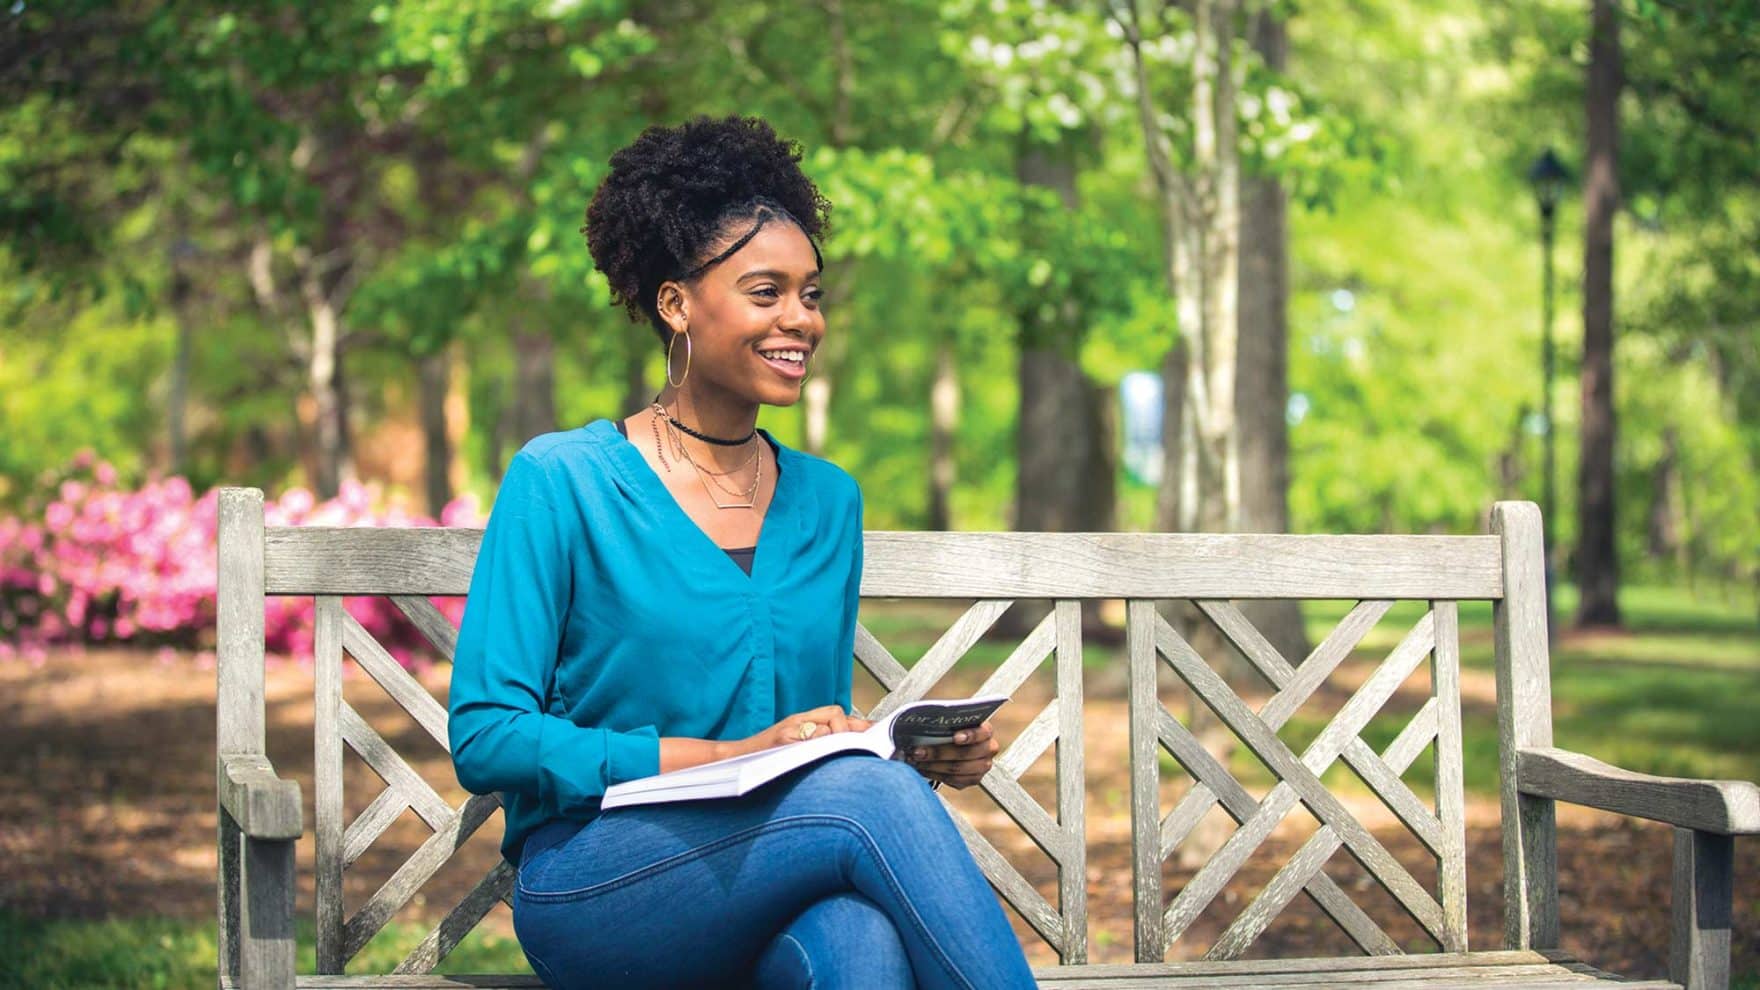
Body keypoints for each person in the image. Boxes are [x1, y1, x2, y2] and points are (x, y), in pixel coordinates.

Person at [447, 114, 1038, 990]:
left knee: (861, 949)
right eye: (767, 292)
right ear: (676, 303)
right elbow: (487, 735)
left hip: (769, 877)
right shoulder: (562, 480)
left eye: (812, 294)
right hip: (603, 881)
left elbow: (809, 740)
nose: (800, 319)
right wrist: (730, 758)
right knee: (867, 801)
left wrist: (922, 756)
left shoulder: (826, 500)